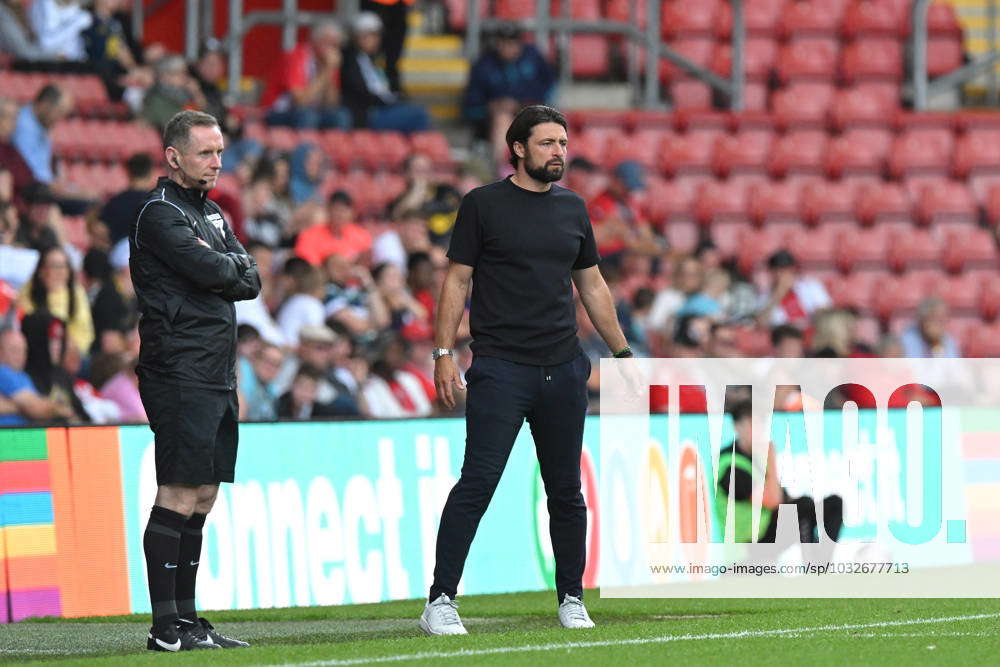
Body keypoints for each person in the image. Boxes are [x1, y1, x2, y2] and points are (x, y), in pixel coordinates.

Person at [421, 105, 630, 635]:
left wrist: (623, 356)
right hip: (500, 367)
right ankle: (440, 599)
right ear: (517, 149)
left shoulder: (573, 209)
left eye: (563, 142)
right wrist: (444, 353)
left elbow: (593, 286)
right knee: (479, 481)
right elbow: (456, 282)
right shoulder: (483, 205)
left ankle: (571, 597)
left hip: (563, 368)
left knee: (566, 490)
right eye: (547, 143)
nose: (559, 151)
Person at [129, 110, 260, 652]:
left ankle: (187, 617)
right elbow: (219, 272)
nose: (216, 163)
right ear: (174, 156)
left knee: (203, 494)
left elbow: (248, 278)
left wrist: (227, 267)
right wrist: (225, 268)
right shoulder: (160, 214)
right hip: (178, 369)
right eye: (206, 153)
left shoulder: (211, 214)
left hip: (214, 371)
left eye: (221, 152)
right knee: (179, 491)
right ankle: (165, 625)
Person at [716, 400, 843, 559]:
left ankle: (820, 565)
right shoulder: (729, 464)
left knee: (833, 504)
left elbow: (782, 497)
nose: (756, 430)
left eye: (759, 423)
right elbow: (772, 500)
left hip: (766, 531)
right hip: (748, 545)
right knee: (802, 508)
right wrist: (771, 458)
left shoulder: (754, 457)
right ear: (737, 427)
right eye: (750, 424)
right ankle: (814, 568)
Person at [463, 24, 555, 164]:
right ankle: (503, 171)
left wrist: (521, 105)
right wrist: (491, 106)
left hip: (531, 113)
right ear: (497, 44)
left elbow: (549, 89)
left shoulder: (533, 57)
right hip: (493, 120)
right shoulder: (484, 64)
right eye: (503, 43)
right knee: (503, 120)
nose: (508, 48)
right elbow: (471, 103)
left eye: (512, 44)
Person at [340, 12, 429, 132]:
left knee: (412, 110)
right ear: (359, 36)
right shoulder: (350, 61)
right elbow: (364, 93)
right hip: (369, 113)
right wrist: (388, 101)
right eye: (373, 36)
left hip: (381, 107)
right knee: (419, 115)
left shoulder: (371, 59)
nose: (377, 40)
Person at [260, 19, 352, 130]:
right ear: (315, 40)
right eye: (329, 42)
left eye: (336, 45)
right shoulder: (296, 56)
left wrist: (329, 71)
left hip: (311, 111)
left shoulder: (330, 63)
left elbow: (332, 103)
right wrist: (326, 71)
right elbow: (301, 101)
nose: (333, 49)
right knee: (308, 116)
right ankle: (305, 147)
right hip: (279, 110)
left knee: (341, 115)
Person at [18, 245, 95, 354]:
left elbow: (84, 331)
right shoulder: (28, 292)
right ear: (41, 270)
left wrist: (72, 348)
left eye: (63, 266)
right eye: (54, 266)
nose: (60, 271)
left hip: (71, 353)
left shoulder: (77, 292)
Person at [0, 324, 74, 425]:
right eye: (14, 350)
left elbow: (37, 405)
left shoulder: (23, 376)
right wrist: (58, 409)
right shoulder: (3, 372)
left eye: (24, 350)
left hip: (25, 435)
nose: (20, 355)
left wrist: (16, 407)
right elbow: (37, 408)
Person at [294, 190, 372, 265]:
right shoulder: (309, 236)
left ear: (352, 213)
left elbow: (368, 260)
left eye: (344, 210)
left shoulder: (361, 235)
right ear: (328, 210)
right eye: (337, 209)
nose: (340, 215)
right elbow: (307, 266)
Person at [98, 153, 157, 245]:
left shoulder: (115, 201)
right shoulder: (156, 203)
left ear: (128, 172)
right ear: (151, 172)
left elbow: (100, 228)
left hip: (119, 253)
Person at [141, 54, 208, 132]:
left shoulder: (187, 93)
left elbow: (209, 119)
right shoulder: (156, 97)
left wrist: (197, 94)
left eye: (185, 72)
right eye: (178, 73)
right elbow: (169, 125)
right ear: (164, 76)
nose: (184, 77)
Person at [360, 0, 411, 93]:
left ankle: (392, 84)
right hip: (375, 4)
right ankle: (367, 83)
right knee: (370, 48)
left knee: (394, 50)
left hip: (398, 5)